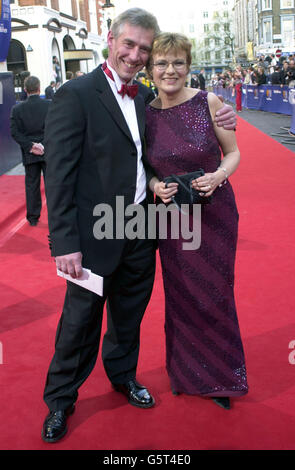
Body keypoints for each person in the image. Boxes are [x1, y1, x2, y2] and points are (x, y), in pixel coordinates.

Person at [41, 9, 238, 444]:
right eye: (128, 44)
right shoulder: (75, 94)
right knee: (80, 321)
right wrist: (64, 243)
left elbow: (174, 140)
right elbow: (57, 174)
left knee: (128, 316)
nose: (134, 54)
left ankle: (123, 377)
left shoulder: (148, 98)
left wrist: (225, 118)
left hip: (141, 224)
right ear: (111, 40)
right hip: (94, 231)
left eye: (143, 49)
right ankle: (59, 401)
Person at [145, 32, 248, 411]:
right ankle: (186, 374)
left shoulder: (210, 102)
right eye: (162, 63)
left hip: (215, 215)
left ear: (189, 66)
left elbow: (233, 153)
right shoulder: (147, 112)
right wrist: (156, 185)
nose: (169, 70)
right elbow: (146, 168)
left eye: (177, 63)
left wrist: (218, 176)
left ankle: (220, 377)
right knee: (182, 294)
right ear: (150, 69)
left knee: (215, 293)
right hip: (172, 220)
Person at [10, 76, 50, 226]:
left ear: (25, 90)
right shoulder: (50, 105)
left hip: (30, 153)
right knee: (52, 185)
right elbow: (55, 127)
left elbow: (15, 132)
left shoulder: (17, 109)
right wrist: (43, 145)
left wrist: (31, 146)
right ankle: (55, 216)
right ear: (39, 88)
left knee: (32, 185)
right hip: (48, 151)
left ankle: (33, 217)